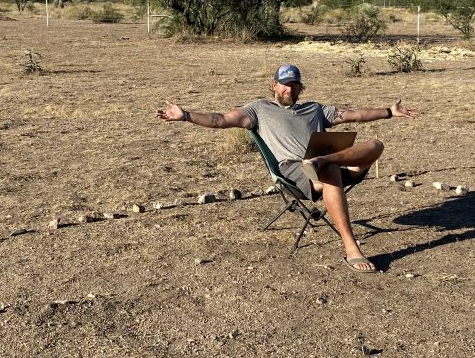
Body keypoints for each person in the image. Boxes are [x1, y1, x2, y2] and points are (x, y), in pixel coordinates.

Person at [156, 63, 418, 273]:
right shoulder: (258, 109)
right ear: (274, 85)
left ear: (300, 88)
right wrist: (186, 115)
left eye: (294, 86)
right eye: (284, 85)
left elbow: (353, 114)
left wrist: (388, 111)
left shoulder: (315, 109)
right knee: (330, 172)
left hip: (324, 160)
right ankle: (351, 248)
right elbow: (221, 120)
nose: (289, 91)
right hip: (294, 169)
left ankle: (323, 160)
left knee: (375, 145)